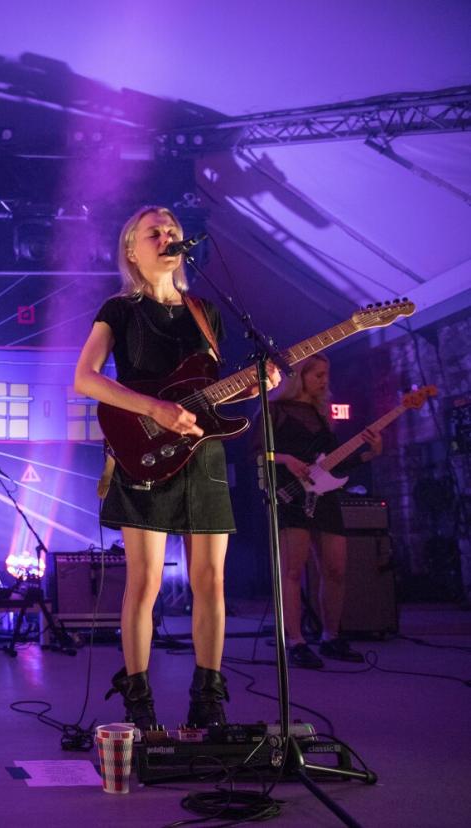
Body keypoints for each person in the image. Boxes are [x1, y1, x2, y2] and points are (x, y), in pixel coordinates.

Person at [74, 205, 278, 729]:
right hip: (143, 448)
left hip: (203, 455)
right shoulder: (118, 309)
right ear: (131, 248)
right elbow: (86, 379)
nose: (166, 236)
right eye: (154, 232)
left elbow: (209, 394)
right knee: (143, 583)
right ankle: (138, 701)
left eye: (173, 232)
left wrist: (256, 384)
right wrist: (153, 408)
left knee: (211, 579)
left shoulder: (204, 311)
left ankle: (207, 697)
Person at [260, 354, 381, 669]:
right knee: (292, 571)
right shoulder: (275, 410)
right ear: (300, 376)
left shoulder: (322, 412)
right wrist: (286, 459)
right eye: (318, 375)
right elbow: (256, 454)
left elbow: (334, 463)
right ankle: (296, 641)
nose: (325, 381)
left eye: (327, 375)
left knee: (336, 569)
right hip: (292, 495)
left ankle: (330, 636)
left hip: (326, 496)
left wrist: (369, 453)